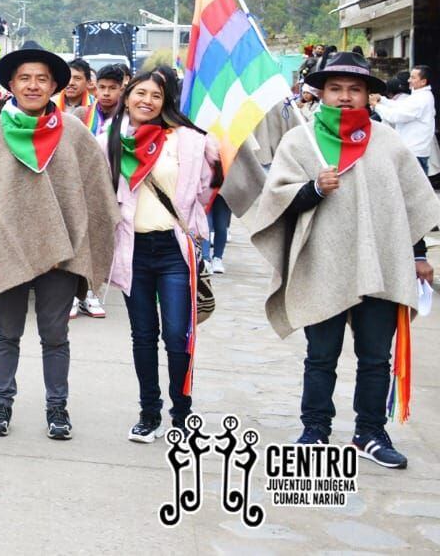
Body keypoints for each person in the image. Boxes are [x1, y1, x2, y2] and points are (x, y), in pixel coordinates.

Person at [251, 52, 439, 466]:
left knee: (375, 357)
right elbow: (276, 200)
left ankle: (370, 432)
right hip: (323, 262)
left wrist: (419, 254)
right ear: (322, 92)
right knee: (321, 355)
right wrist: (313, 189)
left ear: (369, 96)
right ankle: (315, 428)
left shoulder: (388, 141)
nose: (344, 97)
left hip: (381, 263)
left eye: (355, 89)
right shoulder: (301, 140)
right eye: (335, 89)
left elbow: (410, 202)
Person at [0, 42, 119, 439]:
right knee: (6, 332)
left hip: (60, 258)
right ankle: (0, 404)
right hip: (5, 251)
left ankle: (58, 409)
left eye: (42, 79)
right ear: (12, 84)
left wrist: (70, 244)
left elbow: (93, 194)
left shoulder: (73, 132)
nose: (34, 86)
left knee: (55, 336)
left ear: (55, 84)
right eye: (25, 78)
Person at [103, 70, 219, 442]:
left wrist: (216, 151)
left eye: (156, 95)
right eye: (140, 93)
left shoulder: (187, 141)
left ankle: (181, 413)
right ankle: (148, 414)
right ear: (128, 94)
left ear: (165, 102)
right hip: (132, 250)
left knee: (176, 334)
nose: (147, 100)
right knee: (142, 335)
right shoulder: (109, 138)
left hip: (172, 251)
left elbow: (205, 191)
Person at [69, 63, 128, 319]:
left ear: (122, 90)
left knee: (101, 242)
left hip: (114, 188)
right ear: (95, 87)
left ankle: (92, 291)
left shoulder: (128, 119)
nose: (106, 93)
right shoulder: (82, 115)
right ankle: (73, 294)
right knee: (79, 241)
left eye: (112, 89)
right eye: (102, 87)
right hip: (82, 187)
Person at [371, 64, 435, 173]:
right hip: (411, 150)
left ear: (423, 82)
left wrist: (376, 106)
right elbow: (400, 106)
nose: (409, 80)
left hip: (415, 152)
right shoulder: (417, 96)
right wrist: (381, 99)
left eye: (413, 78)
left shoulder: (421, 99)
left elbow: (396, 116)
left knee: (414, 188)